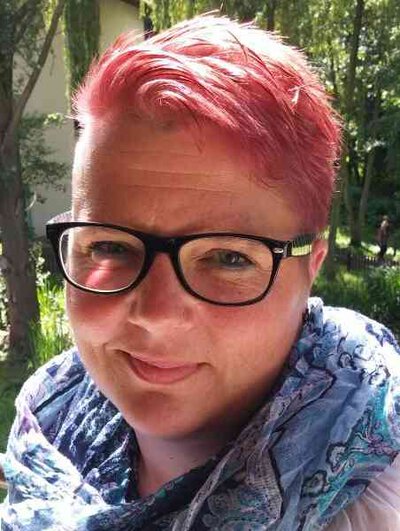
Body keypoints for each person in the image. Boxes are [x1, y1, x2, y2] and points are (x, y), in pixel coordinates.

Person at [1, 15, 400, 531]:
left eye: (229, 257)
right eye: (110, 246)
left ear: (311, 270)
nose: (158, 315)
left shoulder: (377, 506)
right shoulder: (48, 424)